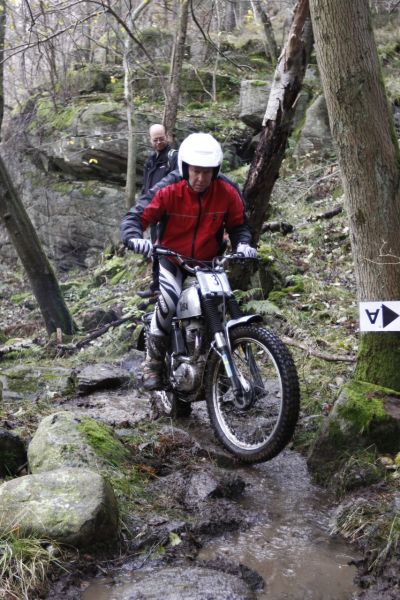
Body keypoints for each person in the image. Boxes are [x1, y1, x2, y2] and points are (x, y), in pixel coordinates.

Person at [120, 132, 257, 390]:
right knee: (169, 301)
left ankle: (217, 365)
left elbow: (239, 225)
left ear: (216, 170)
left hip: (209, 261)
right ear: (185, 167)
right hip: (172, 258)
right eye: (196, 171)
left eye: (207, 172)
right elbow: (136, 216)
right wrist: (134, 237)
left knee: (219, 305)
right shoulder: (168, 188)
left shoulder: (227, 190)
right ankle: (153, 362)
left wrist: (244, 244)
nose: (201, 178)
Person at [136, 124, 178, 299]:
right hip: (154, 213)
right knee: (155, 250)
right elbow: (146, 188)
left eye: (161, 138)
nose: (159, 142)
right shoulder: (150, 161)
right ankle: (156, 287)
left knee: (166, 251)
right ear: (150, 140)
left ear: (166, 136)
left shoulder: (173, 157)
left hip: (169, 213)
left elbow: (177, 182)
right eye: (155, 140)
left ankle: (168, 287)